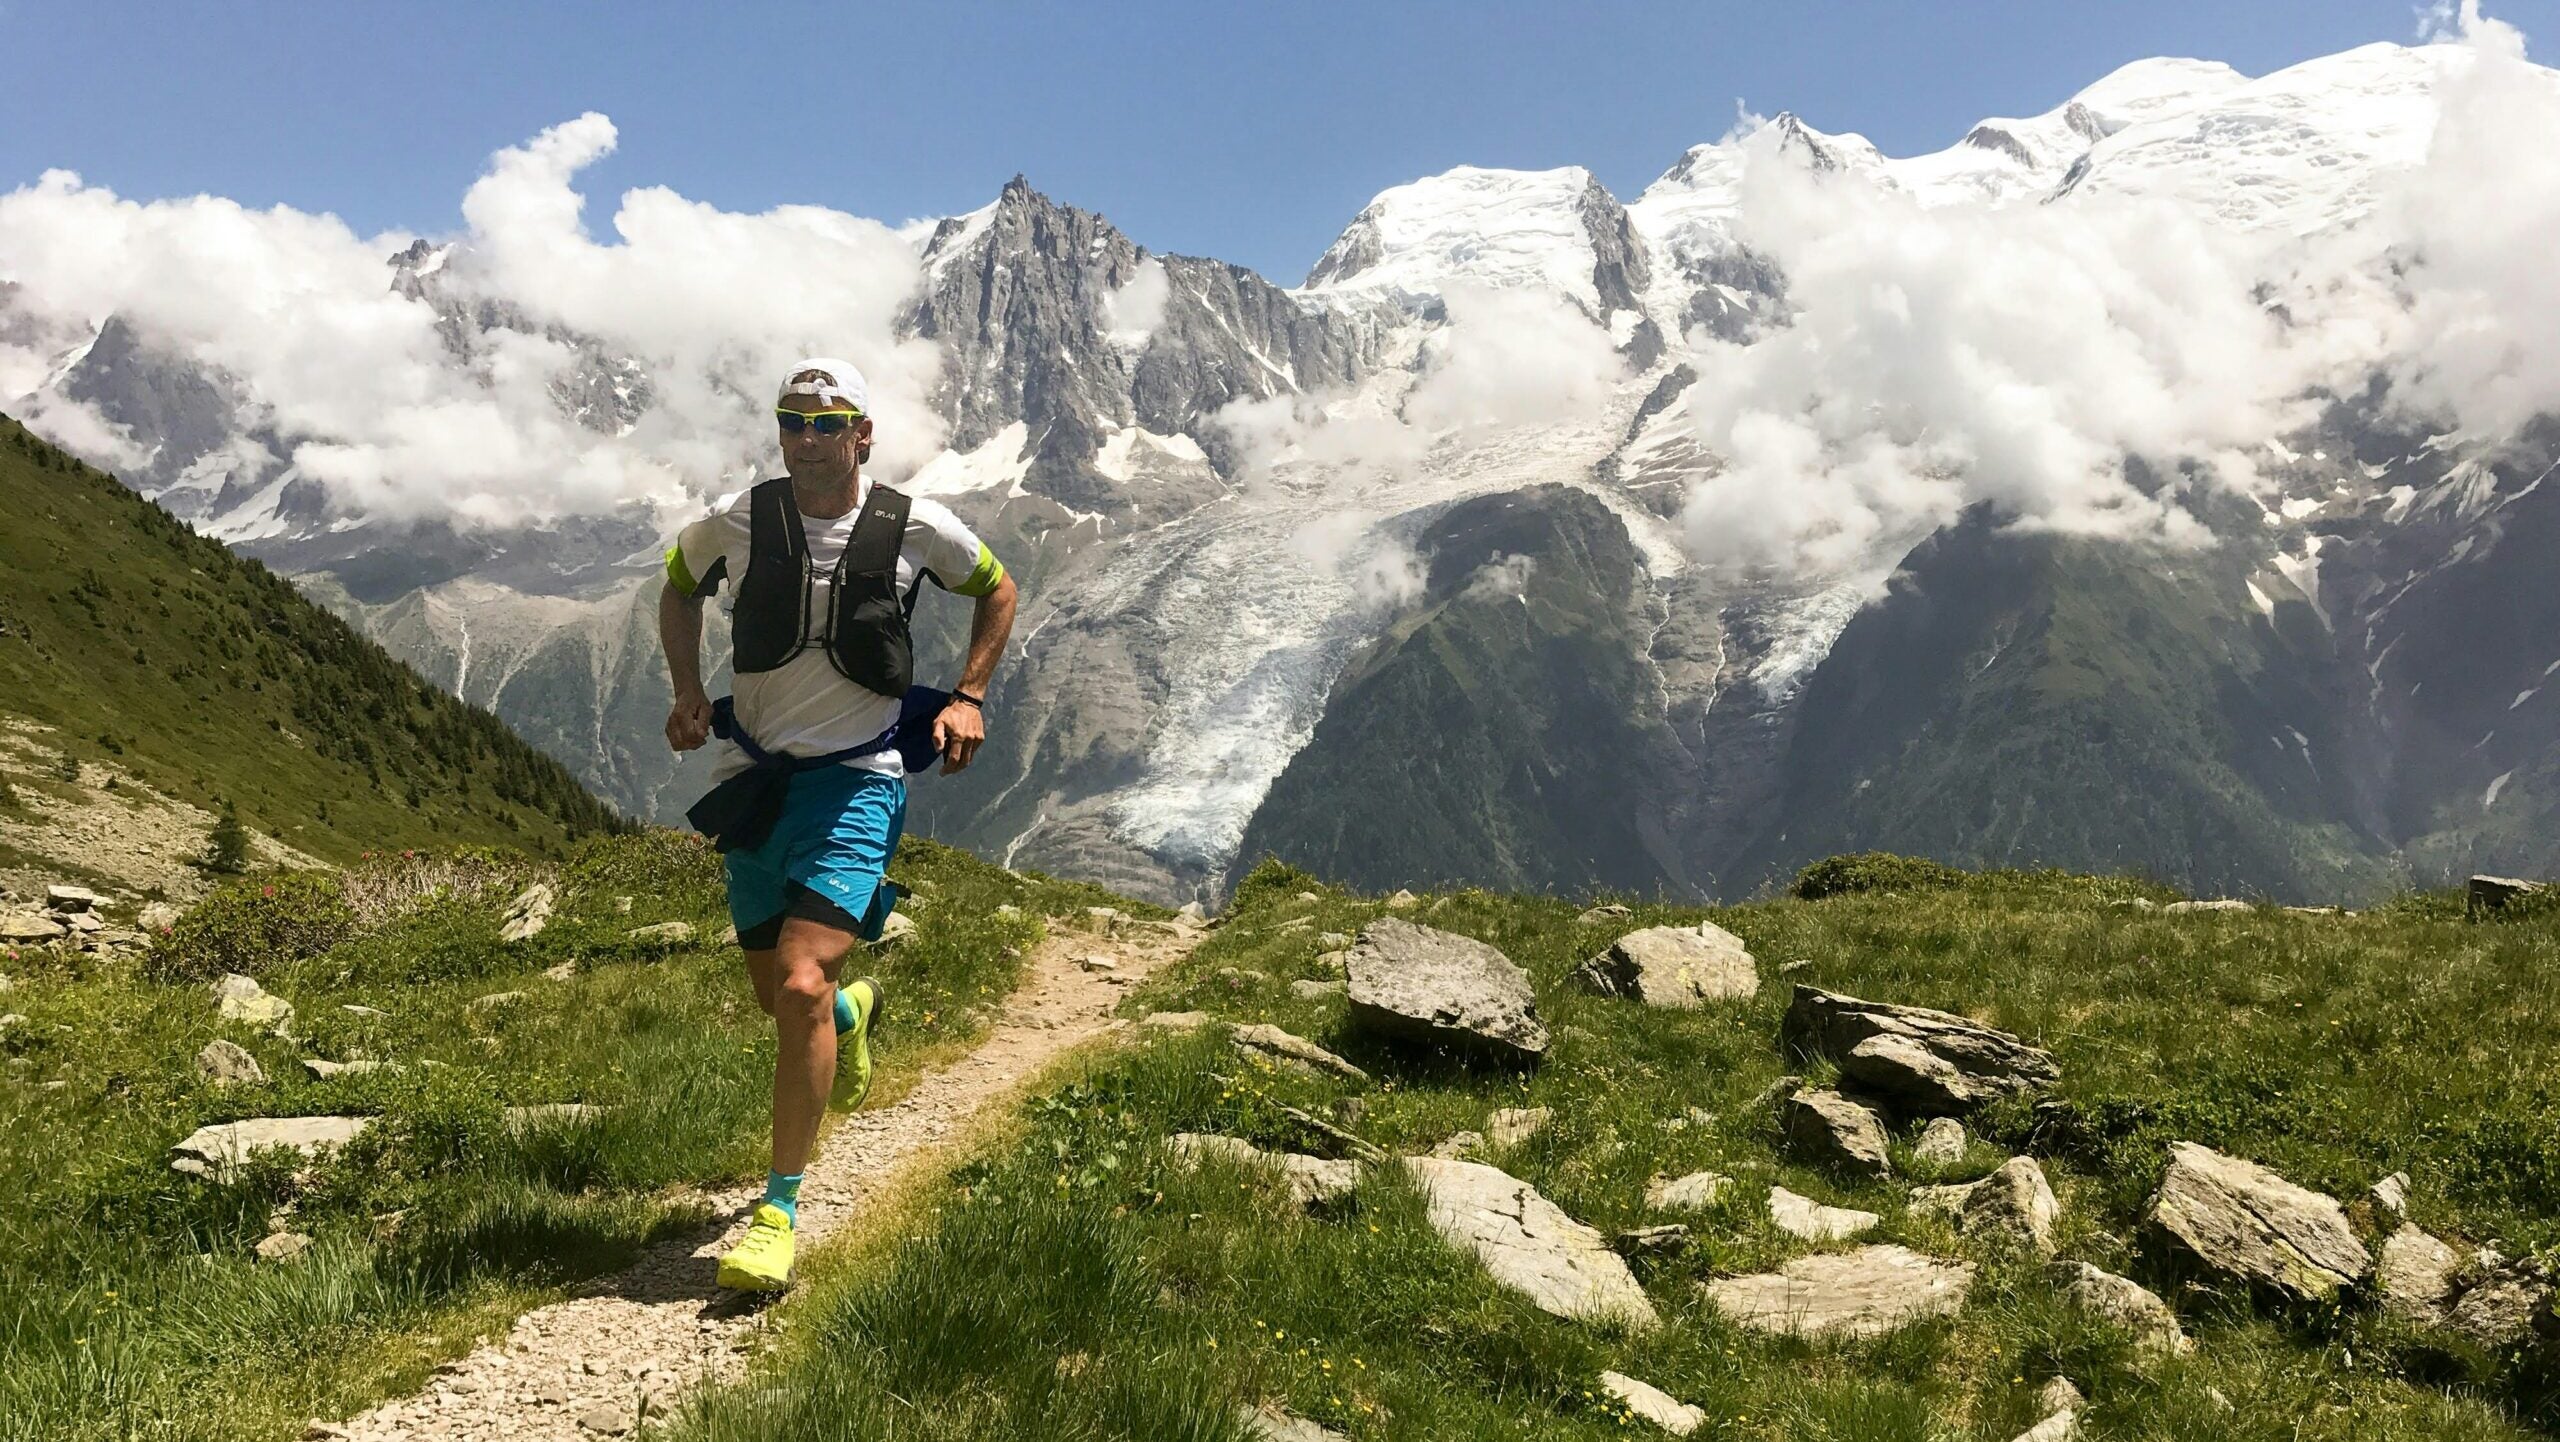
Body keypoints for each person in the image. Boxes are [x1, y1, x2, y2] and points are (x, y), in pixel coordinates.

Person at [658, 356, 1017, 1290]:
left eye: (829, 422)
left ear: (864, 434)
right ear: (779, 433)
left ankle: (777, 1211)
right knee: (775, 1001)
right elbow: (677, 583)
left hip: (859, 779)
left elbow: (998, 588)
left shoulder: (916, 526)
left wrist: (969, 694)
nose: (809, 437)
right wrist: (690, 690)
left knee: (803, 980)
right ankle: (853, 1017)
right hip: (756, 779)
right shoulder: (740, 521)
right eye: (794, 421)